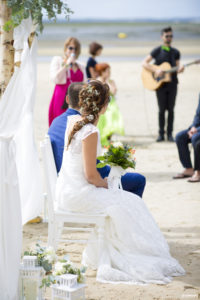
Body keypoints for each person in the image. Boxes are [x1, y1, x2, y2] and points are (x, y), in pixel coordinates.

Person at [56, 80, 185, 284]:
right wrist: (106, 183)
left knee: (125, 201)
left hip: (68, 189)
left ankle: (116, 248)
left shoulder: (74, 122)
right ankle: (126, 253)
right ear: (104, 106)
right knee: (132, 203)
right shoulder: (90, 131)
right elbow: (91, 176)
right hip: (79, 194)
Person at [48, 82, 146, 198]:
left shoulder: (64, 122)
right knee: (138, 181)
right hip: (83, 188)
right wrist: (108, 184)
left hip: (65, 184)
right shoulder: (87, 129)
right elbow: (92, 175)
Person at [142, 26, 184, 142]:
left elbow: (177, 67)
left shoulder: (176, 52)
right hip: (160, 84)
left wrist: (180, 69)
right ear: (162, 37)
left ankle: (169, 134)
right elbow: (144, 63)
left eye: (171, 36)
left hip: (173, 84)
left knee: (171, 110)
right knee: (161, 110)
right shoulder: (157, 51)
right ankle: (161, 134)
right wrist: (155, 71)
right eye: (167, 36)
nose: (169, 38)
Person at [48, 37, 86, 126]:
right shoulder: (57, 60)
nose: (73, 51)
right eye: (71, 48)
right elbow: (55, 78)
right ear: (66, 48)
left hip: (77, 98)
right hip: (62, 95)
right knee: (61, 121)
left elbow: (85, 82)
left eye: (76, 49)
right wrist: (66, 65)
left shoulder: (80, 65)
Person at [95, 63, 125, 146]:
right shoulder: (98, 80)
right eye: (107, 71)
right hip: (101, 103)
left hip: (111, 103)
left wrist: (108, 82)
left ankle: (109, 137)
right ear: (102, 72)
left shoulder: (111, 81)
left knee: (112, 116)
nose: (109, 73)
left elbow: (113, 92)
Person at [173, 94, 200, 182]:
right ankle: (189, 169)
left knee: (196, 139)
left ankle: (198, 172)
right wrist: (193, 127)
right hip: (197, 128)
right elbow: (198, 114)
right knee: (180, 137)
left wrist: (197, 129)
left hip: (198, 131)